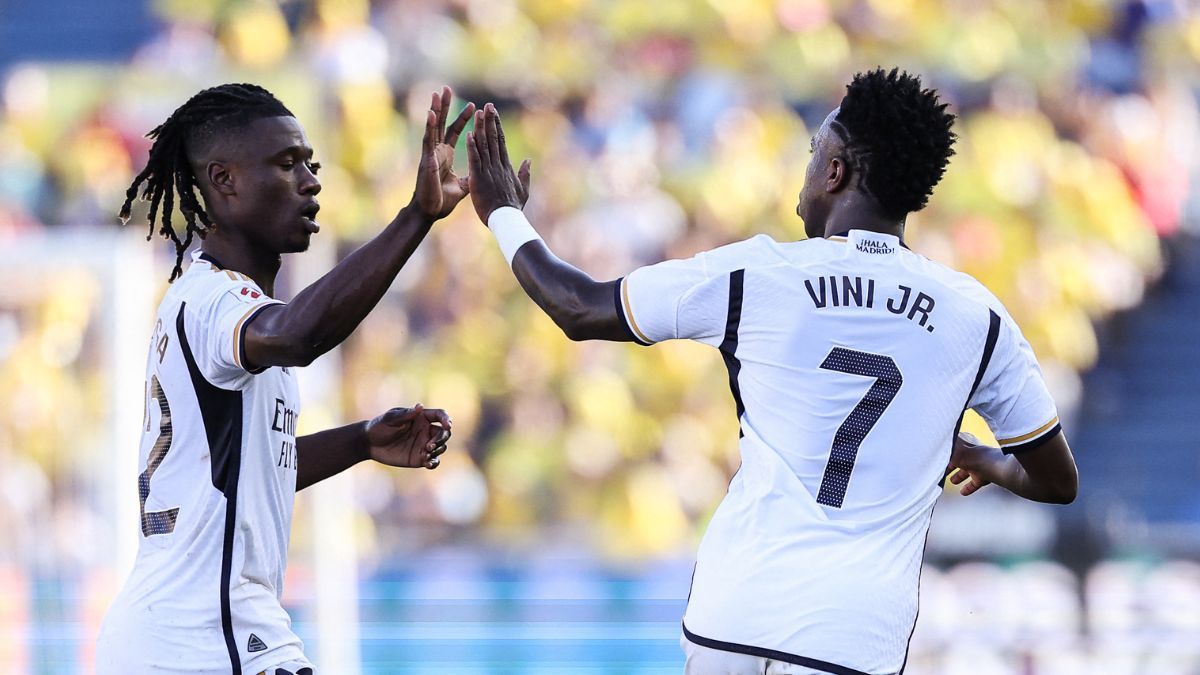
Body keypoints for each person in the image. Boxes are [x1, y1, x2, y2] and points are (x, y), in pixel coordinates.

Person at [465, 69, 1079, 675]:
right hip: (853, 636)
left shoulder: (758, 275)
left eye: (816, 150)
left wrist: (503, 214)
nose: (809, 165)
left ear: (836, 170)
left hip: (734, 614)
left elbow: (578, 308)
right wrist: (986, 459)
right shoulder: (977, 316)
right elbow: (1056, 480)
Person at [96, 83, 471, 675]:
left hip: (166, 635)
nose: (311, 181)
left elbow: (241, 475)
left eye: (310, 164)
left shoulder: (209, 304)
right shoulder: (217, 300)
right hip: (211, 637)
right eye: (286, 162)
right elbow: (299, 337)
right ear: (224, 180)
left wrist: (361, 441)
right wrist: (417, 216)